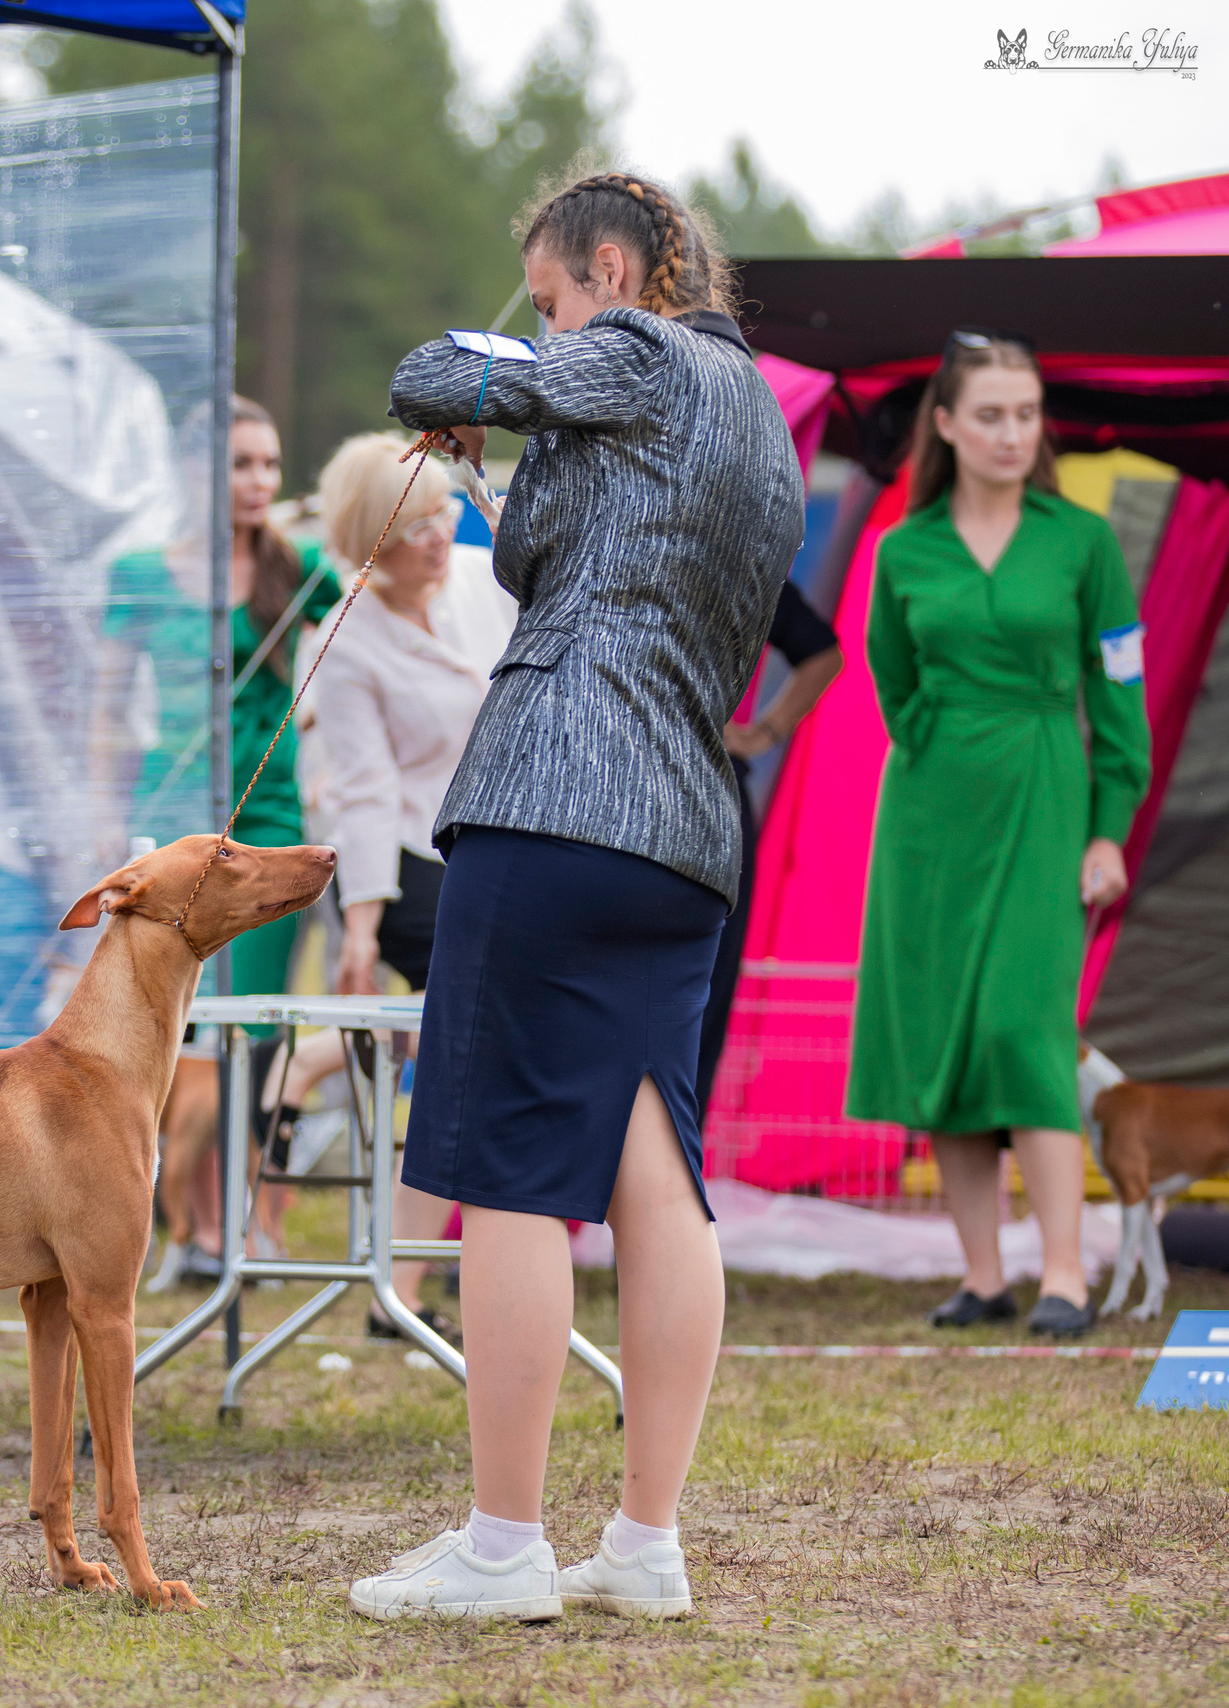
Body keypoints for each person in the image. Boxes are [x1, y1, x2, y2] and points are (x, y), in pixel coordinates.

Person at [347, 170, 804, 1624]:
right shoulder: (769, 435)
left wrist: (488, 380)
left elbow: (434, 369)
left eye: (549, 300)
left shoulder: (644, 350)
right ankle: (645, 1543)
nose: (546, 327)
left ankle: (499, 1547)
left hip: (551, 798)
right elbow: (589, 548)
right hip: (684, 824)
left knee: (510, 1176)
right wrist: (507, 459)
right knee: (655, 1171)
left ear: (612, 268)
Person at [846, 329, 1148, 1339]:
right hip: (927, 816)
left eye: (1026, 413)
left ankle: (1062, 1274)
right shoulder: (901, 547)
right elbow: (891, 677)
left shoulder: (1083, 542)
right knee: (948, 1041)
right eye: (990, 414)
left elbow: (1122, 695)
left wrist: (1107, 828)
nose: (1012, 432)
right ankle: (983, 1276)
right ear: (944, 425)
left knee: (1026, 1033)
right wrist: (937, 749)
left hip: (1046, 800)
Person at [98, 397, 341, 1289]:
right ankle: (188, 1227)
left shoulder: (299, 566)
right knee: (173, 1032)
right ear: (198, 471)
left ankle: (243, 1229)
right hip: (173, 828)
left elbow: (366, 621)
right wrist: (100, 821)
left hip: (270, 825)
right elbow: (104, 714)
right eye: (243, 464)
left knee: (251, 1029)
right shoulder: (141, 573)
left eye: (272, 466)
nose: (262, 483)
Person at [287, 430, 518, 1317]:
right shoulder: (341, 638)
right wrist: (360, 929)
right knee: (475, 1035)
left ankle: (400, 1281)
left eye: (442, 510)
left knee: (468, 1055)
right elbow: (366, 791)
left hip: (501, 836)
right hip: (414, 859)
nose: (437, 534)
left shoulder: (479, 577)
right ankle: (403, 1279)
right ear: (368, 539)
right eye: (413, 523)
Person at [695, 581, 842, 1120]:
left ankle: (669, 1167)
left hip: (710, 791)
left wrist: (764, 732)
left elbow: (823, 653)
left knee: (701, 997)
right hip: (633, 785)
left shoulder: (744, 554)